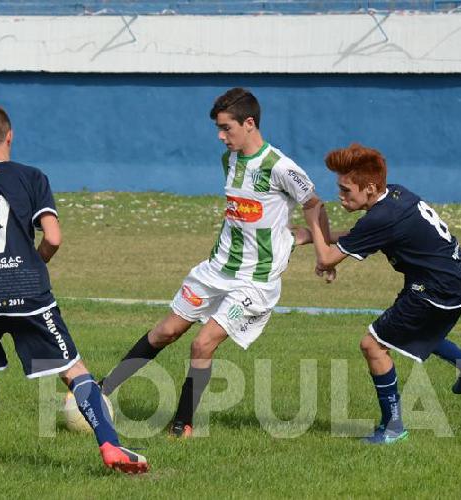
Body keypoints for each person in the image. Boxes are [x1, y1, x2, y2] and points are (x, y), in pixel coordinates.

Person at [0, 103, 149, 473]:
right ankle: (112, 447)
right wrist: (33, 265)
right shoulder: (32, 177)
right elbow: (53, 237)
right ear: (10, 135)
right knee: (73, 369)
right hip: (28, 292)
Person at [98, 87, 332, 438]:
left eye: (227, 128)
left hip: (254, 284)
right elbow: (259, 218)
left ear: (249, 123)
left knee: (201, 343)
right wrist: (292, 237)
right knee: (166, 332)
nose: (222, 137)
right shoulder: (230, 160)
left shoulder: (280, 167)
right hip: (215, 269)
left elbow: (314, 203)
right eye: (219, 129)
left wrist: (324, 253)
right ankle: (100, 392)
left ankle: (183, 425)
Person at [297, 143, 461, 445]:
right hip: (457, 277)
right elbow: (360, 236)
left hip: (435, 289)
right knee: (416, 327)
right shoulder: (395, 195)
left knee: (373, 346)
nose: (340, 197)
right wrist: (316, 238)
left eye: (346, 190)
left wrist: (312, 216)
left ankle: (393, 428)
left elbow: (327, 259)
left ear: (370, 187)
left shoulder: (381, 218)